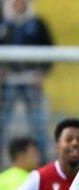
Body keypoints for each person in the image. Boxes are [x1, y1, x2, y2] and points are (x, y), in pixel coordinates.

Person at [0, 0, 53, 162]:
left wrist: (42, 71)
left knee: (38, 122)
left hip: (31, 80)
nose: (19, 4)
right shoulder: (4, 24)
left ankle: (42, 160)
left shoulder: (37, 23)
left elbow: (50, 49)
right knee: (3, 121)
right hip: (8, 81)